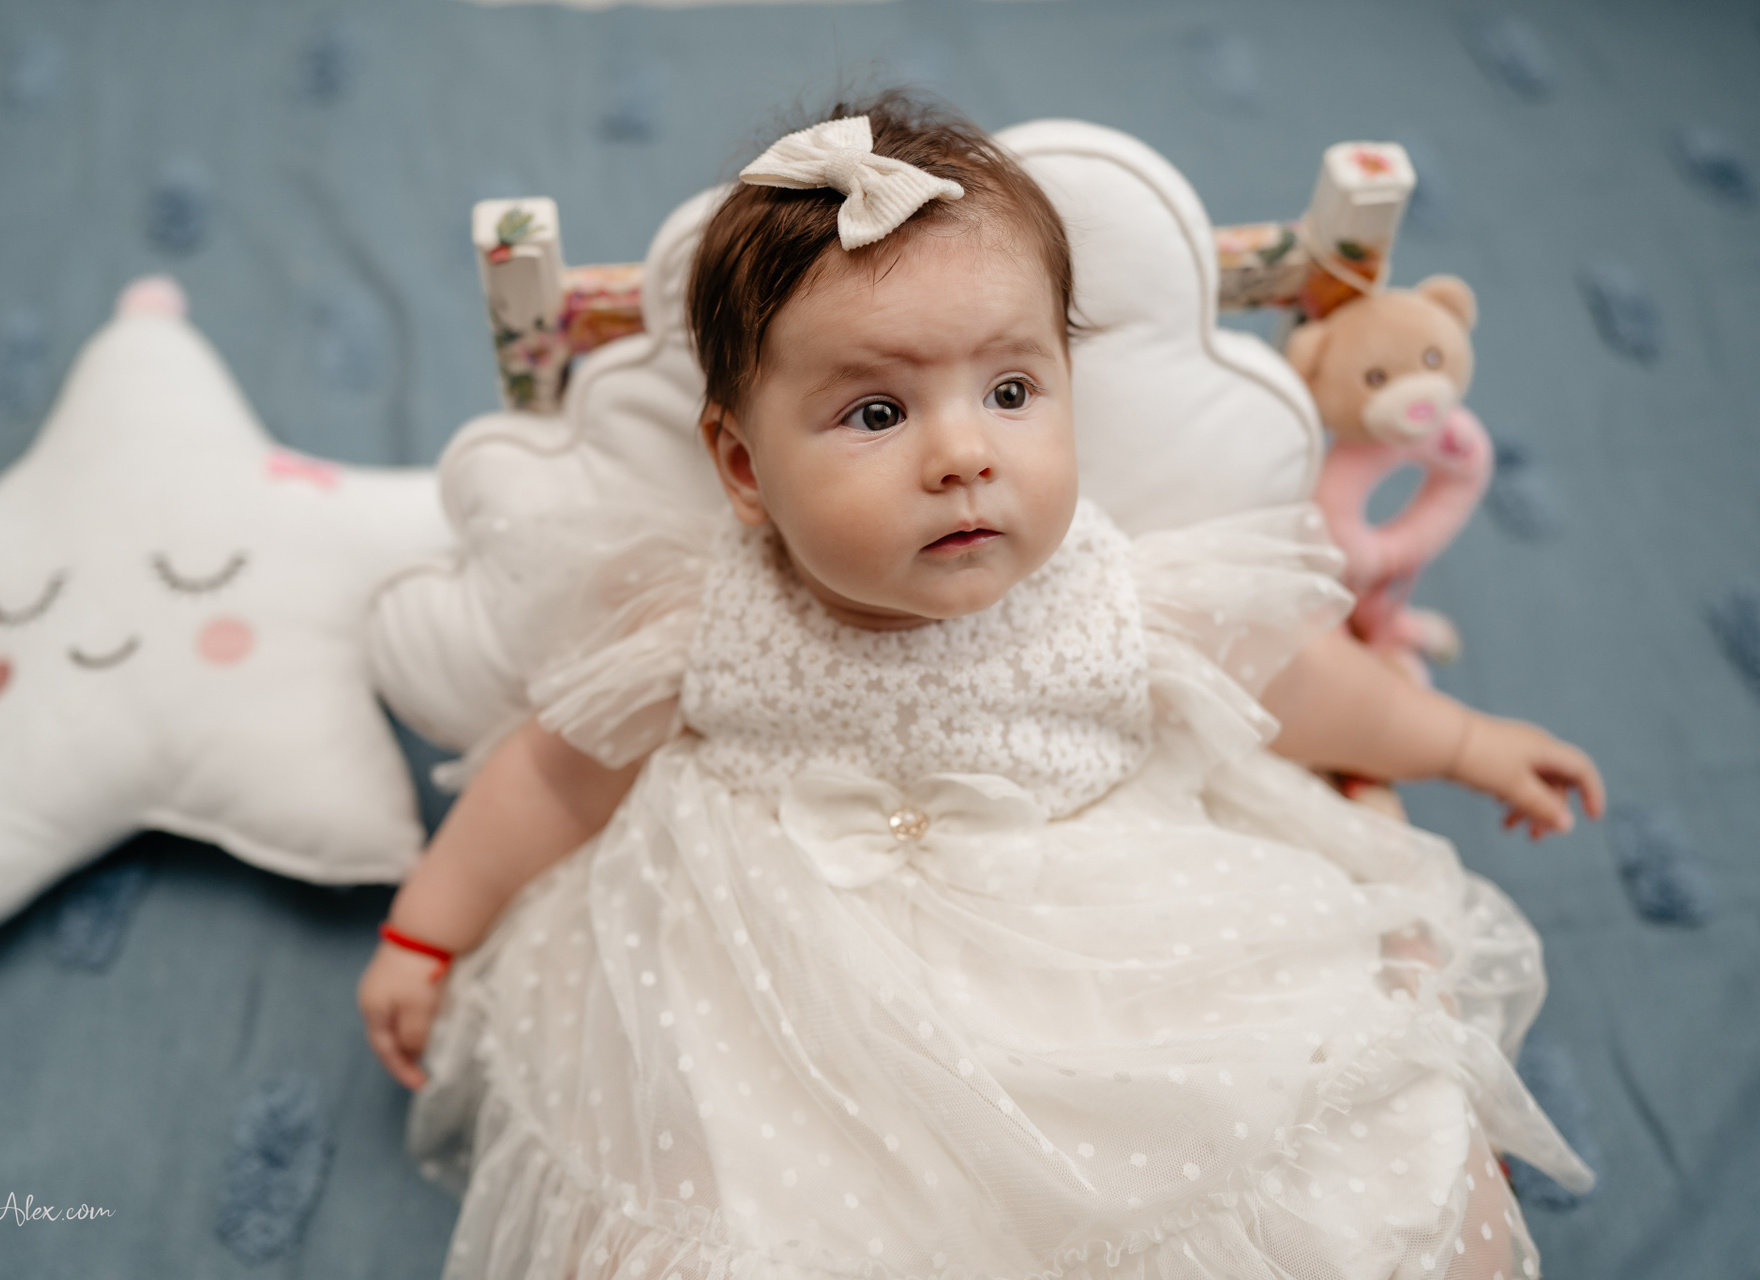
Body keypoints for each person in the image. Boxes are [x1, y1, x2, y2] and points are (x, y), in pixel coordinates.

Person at [360, 93, 1604, 1280]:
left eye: (1011, 393)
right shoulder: (703, 619)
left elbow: (1294, 676)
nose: (963, 454)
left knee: (1262, 1122)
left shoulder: (1112, 592)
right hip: (778, 986)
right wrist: (427, 929)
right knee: (718, 1194)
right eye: (876, 412)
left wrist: (1460, 739)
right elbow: (554, 775)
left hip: (1096, 949)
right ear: (743, 466)